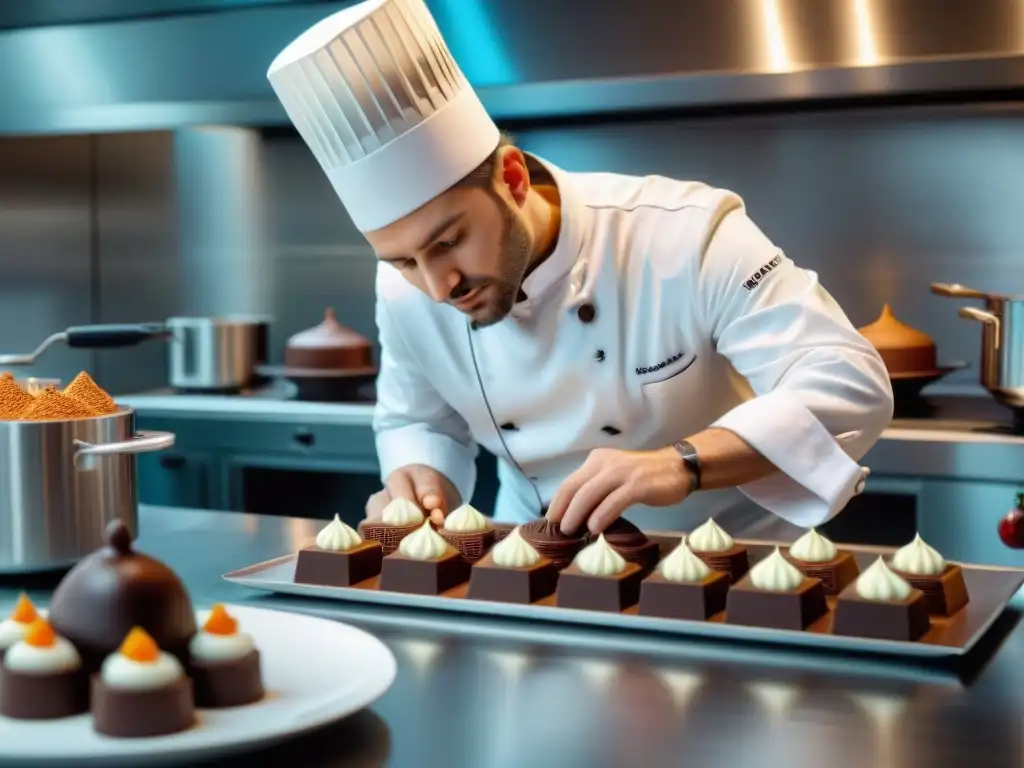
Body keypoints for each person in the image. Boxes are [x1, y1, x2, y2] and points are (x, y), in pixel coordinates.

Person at [267, 0, 894, 537]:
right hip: (537, 567)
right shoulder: (404, 292)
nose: (438, 286)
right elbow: (418, 418)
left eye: (450, 241)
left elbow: (848, 378)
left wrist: (679, 462)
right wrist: (419, 481)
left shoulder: (683, 233)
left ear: (511, 180)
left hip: (726, 567)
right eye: (403, 260)